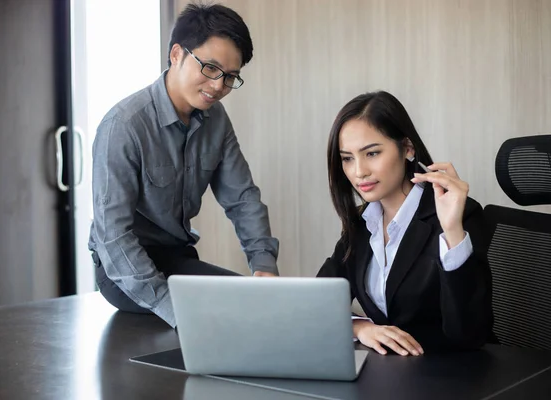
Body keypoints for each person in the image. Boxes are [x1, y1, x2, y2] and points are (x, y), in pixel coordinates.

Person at [89, 3, 279, 328]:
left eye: (231, 76)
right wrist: (172, 307)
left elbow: (242, 197)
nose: (219, 85)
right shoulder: (123, 125)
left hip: (176, 258)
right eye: (210, 67)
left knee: (253, 300)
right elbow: (114, 237)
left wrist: (263, 265)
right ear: (176, 54)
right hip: (121, 271)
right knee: (236, 310)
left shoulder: (216, 120)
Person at [317, 91, 494, 354]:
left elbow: (469, 335)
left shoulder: (461, 214)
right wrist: (359, 327)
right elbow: (319, 302)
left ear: (407, 148)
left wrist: (452, 231)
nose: (359, 171)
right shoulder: (361, 222)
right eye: (347, 158)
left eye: (372, 153)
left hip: (454, 374)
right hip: (390, 374)